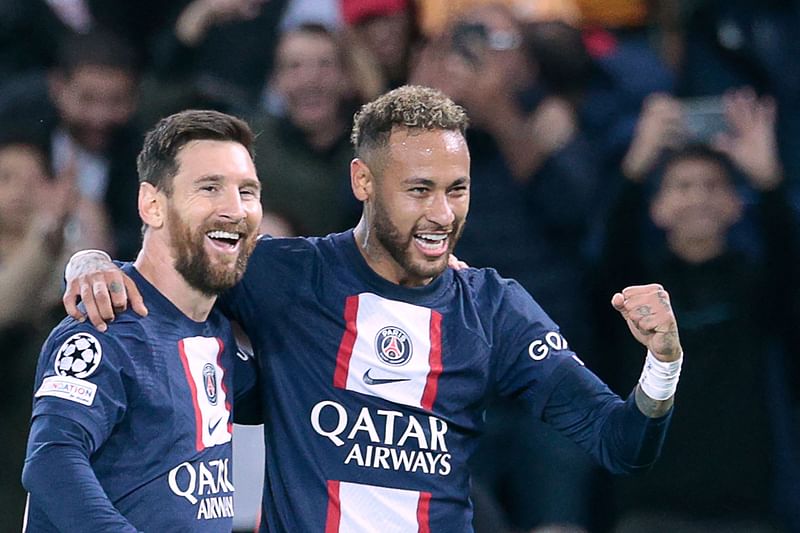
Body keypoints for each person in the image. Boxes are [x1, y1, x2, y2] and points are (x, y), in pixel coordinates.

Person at [65, 85, 683, 532]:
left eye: (456, 190)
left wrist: (662, 364)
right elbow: (171, 261)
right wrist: (90, 261)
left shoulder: (493, 308)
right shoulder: (285, 272)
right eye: (419, 191)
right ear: (363, 182)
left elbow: (621, 441)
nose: (442, 215)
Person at [22, 109, 262, 531]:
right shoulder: (104, 324)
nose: (234, 209)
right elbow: (52, 460)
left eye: (247, 191)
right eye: (209, 188)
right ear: (152, 204)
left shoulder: (218, 331)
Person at [595, 89, 796, 532]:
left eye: (712, 186)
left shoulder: (755, 288)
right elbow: (607, 257)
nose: (697, 198)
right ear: (658, 208)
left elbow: (788, 271)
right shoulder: (635, 289)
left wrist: (769, 181)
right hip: (649, 505)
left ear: (735, 205)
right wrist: (637, 165)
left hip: (745, 508)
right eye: (682, 186)